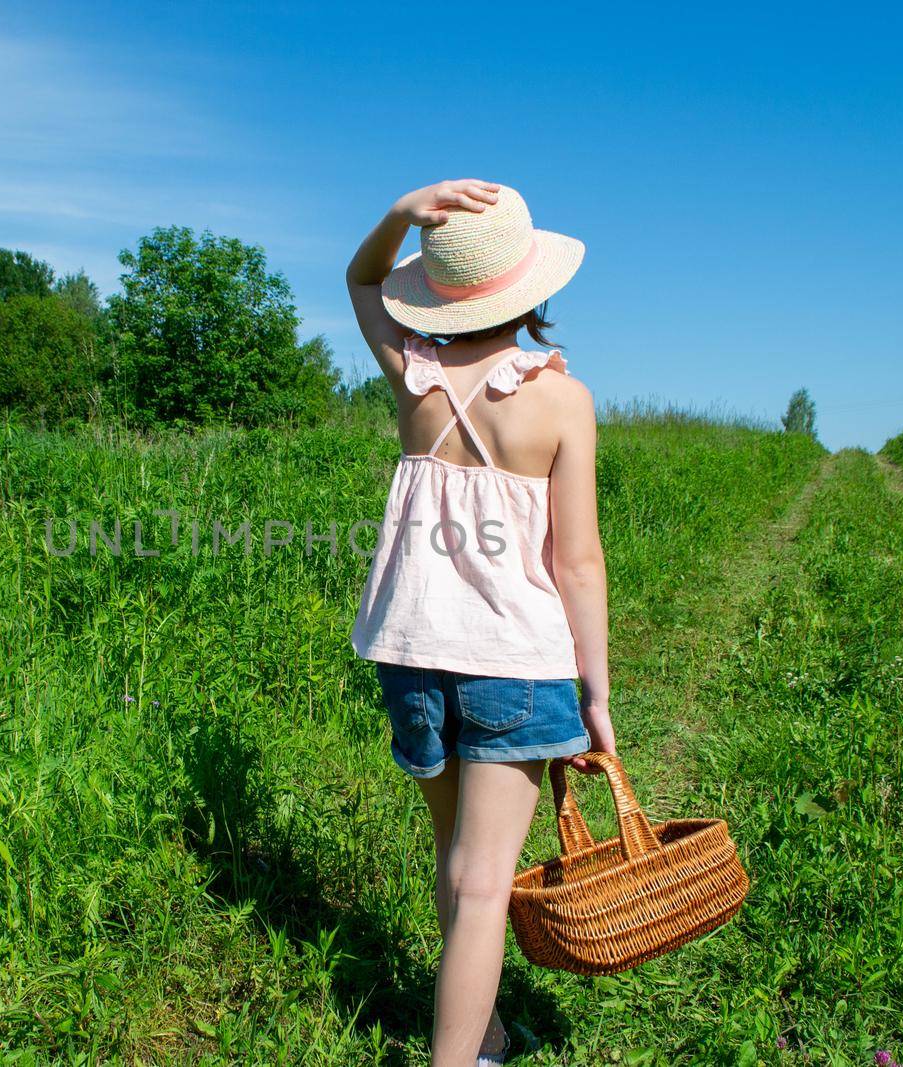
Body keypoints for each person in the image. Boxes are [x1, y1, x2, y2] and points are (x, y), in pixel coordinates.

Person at [346, 179, 615, 1066]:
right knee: (482, 881)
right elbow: (576, 561)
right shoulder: (560, 402)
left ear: (439, 289)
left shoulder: (413, 375)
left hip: (411, 653)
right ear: (531, 291)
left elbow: (358, 281)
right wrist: (597, 692)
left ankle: (484, 1031)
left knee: (454, 863)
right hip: (514, 661)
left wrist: (400, 212)